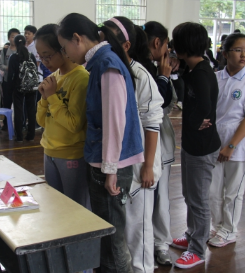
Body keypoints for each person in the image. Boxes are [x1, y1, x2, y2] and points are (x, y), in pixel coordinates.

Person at [57, 13, 144, 272]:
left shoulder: (107, 65)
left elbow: (114, 122)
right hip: (104, 162)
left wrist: (110, 170)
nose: (65, 54)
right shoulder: (99, 63)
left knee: (112, 239)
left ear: (77, 39)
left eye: (64, 47)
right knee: (106, 236)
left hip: (110, 165)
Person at [104, 17, 164, 273]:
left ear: (125, 46)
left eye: (107, 40)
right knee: (123, 229)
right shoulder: (108, 70)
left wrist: (148, 166)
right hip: (120, 163)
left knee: (138, 230)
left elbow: (152, 125)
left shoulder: (140, 75)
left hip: (140, 166)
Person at [171, 22, 221, 269]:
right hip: (192, 144)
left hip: (203, 147)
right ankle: (192, 235)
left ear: (184, 45)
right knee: (189, 195)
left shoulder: (202, 73)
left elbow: (204, 108)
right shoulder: (192, 71)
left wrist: (196, 122)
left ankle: (198, 249)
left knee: (199, 200)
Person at [208, 33, 245, 248]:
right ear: (225, 53)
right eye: (238, 50)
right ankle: (218, 225)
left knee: (233, 191)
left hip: (238, 143)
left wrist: (231, 145)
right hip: (215, 139)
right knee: (214, 190)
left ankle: (230, 230)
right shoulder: (216, 77)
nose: (244, 55)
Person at [35, 24, 90, 208]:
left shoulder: (81, 78)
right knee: (55, 208)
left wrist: (52, 96)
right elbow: (41, 121)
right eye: (40, 56)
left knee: (74, 210)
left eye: (47, 55)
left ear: (62, 49)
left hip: (71, 155)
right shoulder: (55, 76)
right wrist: (44, 99)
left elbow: (74, 124)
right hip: (49, 151)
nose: (44, 61)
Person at [143, 20, 177, 267]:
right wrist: (164, 77)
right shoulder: (148, 70)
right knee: (156, 199)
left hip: (151, 146)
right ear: (158, 43)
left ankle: (158, 244)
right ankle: (156, 245)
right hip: (151, 144)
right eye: (166, 45)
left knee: (155, 199)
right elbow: (162, 104)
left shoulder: (146, 66)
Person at [7, 35, 38, 142]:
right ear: (25, 43)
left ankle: (19, 136)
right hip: (31, 86)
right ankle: (31, 135)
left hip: (18, 87)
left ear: (15, 44)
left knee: (18, 111)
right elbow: (35, 70)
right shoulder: (31, 56)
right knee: (31, 110)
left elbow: (10, 75)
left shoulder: (13, 57)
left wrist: (10, 89)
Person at [0, 28, 20, 130]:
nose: (14, 38)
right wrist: (9, 68)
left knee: (18, 104)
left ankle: (19, 124)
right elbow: (0, 64)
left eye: (16, 36)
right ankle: (6, 123)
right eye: (12, 36)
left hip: (18, 82)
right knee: (7, 103)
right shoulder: (5, 50)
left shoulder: (22, 50)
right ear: (8, 38)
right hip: (7, 81)